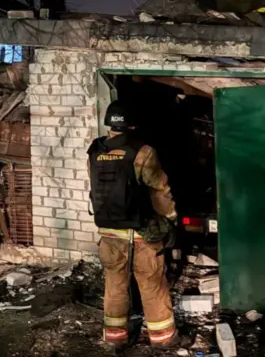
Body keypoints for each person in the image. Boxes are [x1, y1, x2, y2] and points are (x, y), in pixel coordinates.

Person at [87, 100, 184, 349]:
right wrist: (171, 219)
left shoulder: (95, 151)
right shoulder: (143, 152)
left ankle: (114, 338)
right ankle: (163, 339)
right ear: (132, 124)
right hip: (140, 233)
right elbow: (160, 191)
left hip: (108, 233)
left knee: (115, 285)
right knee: (152, 284)